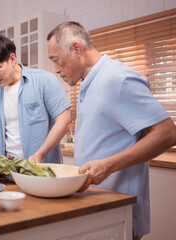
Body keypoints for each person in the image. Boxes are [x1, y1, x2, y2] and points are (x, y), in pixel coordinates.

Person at [47, 21, 176, 239]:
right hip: (100, 208)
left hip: (119, 212)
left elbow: (168, 133)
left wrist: (107, 166)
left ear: (77, 49)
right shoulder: (89, 82)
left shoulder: (118, 79)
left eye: (57, 60)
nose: (56, 69)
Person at [0, 35, 71, 163]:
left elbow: (64, 121)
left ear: (12, 59)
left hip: (41, 169)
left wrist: (39, 155)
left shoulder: (44, 81)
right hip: (8, 169)